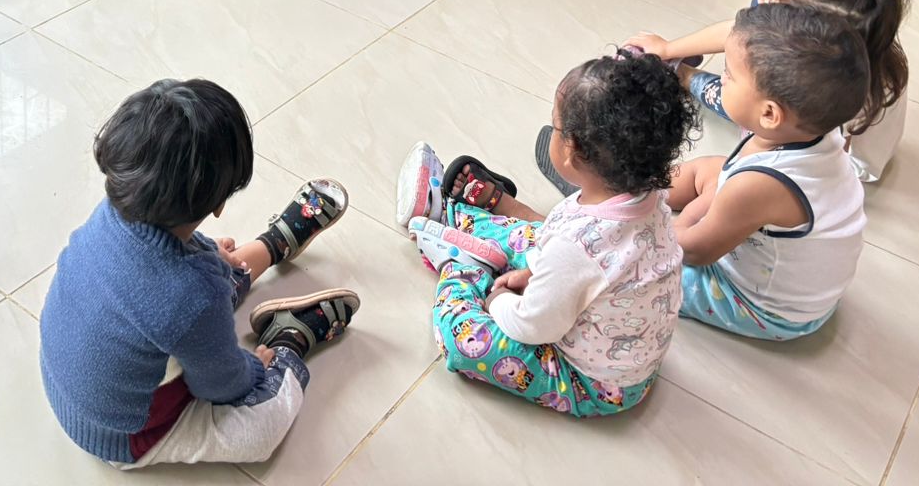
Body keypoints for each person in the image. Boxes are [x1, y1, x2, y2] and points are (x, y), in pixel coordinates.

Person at [41, 79, 358, 467]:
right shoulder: (193, 295)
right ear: (220, 203)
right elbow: (221, 384)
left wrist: (208, 254)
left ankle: (272, 245)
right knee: (260, 431)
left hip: (67, 385)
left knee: (206, 275)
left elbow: (153, 268)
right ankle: (290, 337)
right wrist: (255, 370)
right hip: (123, 436)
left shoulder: (110, 210)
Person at [395, 50, 696, 417]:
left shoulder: (576, 248)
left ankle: (461, 268)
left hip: (597, 384)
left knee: (465, 343)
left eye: (555, 126)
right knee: (537, 239)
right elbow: (584, 267)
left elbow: (531, 325)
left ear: (572, 149)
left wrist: (498, 300)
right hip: (627, 350)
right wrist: (533, 274)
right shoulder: (651, 199)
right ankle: (453, 213)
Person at [667, 4, 869, 341]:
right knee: (711, 168)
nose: (721, 79)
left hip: (768, 310)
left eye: (728, 75)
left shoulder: (759, 186)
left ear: (770, 114)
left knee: (640, 266)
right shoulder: (818, 131)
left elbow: (697, 252)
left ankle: (631, 207)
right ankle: (645, 189)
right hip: (789, 262)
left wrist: (676, 224)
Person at [626, 0, 909, 182]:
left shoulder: (854, 97)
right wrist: (668, 48)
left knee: (741, 98)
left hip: (820, 150)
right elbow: (736, 33)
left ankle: (684, 75)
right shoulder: (841, 39)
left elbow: (839, 161)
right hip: (783, 113)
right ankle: (684, 73)